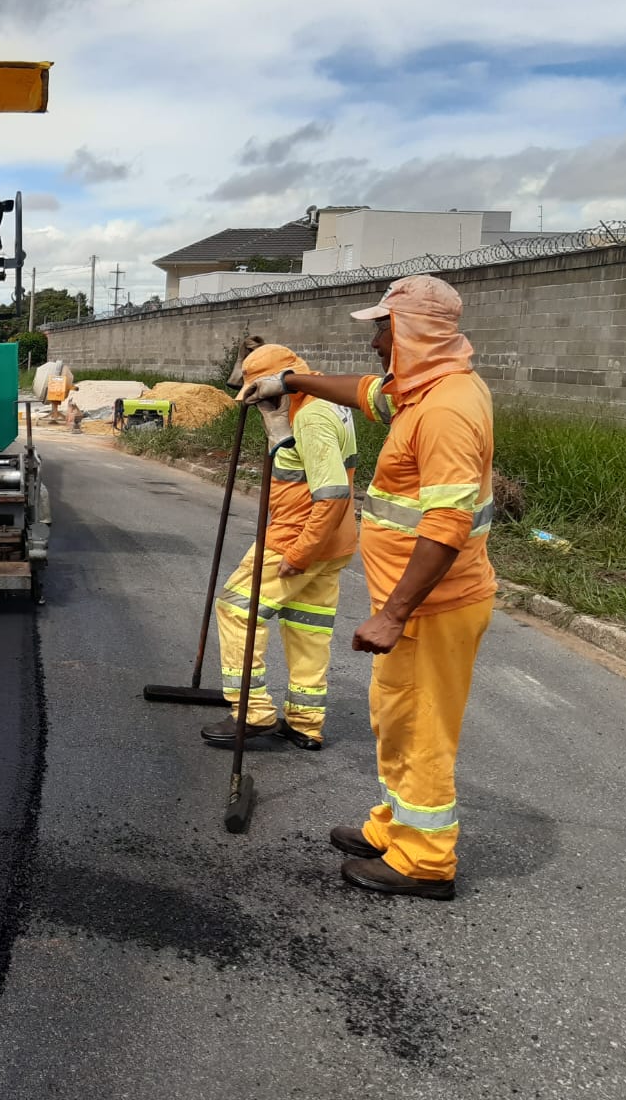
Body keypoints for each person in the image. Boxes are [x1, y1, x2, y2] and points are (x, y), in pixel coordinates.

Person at [241, 275, 495, 901]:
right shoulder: (421, 390)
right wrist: (291, 383)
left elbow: (447, 523)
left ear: (413, 332)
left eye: (383, 329)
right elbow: (360, 393)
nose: (376, 344)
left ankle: (426, 861)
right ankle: (394, 829)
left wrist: (395, 613)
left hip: (434, 607)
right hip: (412, 604)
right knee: (394, 717)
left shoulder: (445, 410)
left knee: (421, 726)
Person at [203, 342, 358, 752]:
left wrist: (299, 553)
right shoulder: (324, 402)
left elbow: (331, 493)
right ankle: (305, 722)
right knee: (307, 629)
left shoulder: (312, 417)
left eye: (264, 394)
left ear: (281, 383)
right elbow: (304, 465)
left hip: (298, 536)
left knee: (236, 610)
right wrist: (277, 428)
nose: (260, 403)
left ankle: (251, 713)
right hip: (335, 541)